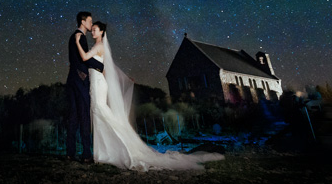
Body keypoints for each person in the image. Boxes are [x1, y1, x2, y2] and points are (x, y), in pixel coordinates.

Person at [75, 22, 224, 171]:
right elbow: (106, 69)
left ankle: (108, 152)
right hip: (98, 82)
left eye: (95, 30)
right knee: (99, 112)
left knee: (100, 111)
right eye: (92, 30)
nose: (92, 32)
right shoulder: (101, 47)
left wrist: (77, 42)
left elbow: (85, 57)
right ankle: (104, 152)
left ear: (101, 32)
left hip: (98, 84)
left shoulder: (98, 46)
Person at [66, 11, 104, 163]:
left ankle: (70, 152)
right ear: (83, 22)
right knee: (84, 116)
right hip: (80, 80)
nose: (91, 24)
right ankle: (86, 154)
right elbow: (84, 60)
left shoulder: (73, 36)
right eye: (89, 21)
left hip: (72, 80)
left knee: (74, 116)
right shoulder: (80, 37)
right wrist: (101, 66)